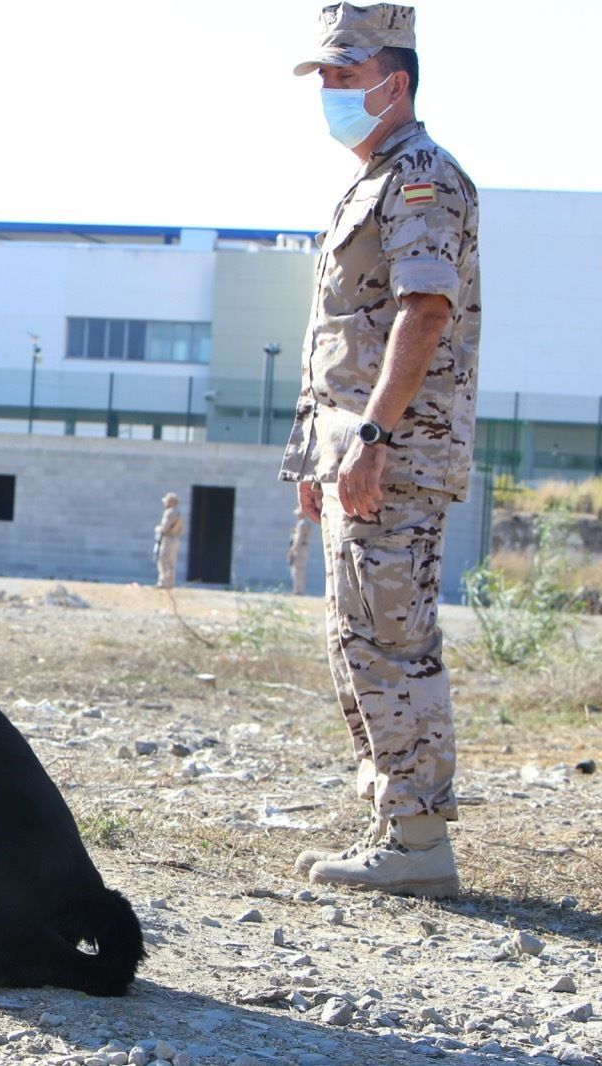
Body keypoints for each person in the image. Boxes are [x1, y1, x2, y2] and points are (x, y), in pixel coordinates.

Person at [280, 2, 479, 897]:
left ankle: (418, 841)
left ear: (394, 83)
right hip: (356, 454)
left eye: (343, 75)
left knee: (393, 643)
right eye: (322, 76)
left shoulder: (424, 177)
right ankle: (396, 823)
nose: (327, 91)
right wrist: (312, 460)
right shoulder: (370, 182)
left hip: (395, 453)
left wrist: (373, 436)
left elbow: (423, 313)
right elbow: (335, 341)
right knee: (356, 642)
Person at [153, 492, 182, 589]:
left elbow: (164, 528)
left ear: (171, 502)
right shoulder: (178, 513)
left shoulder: (169, 513)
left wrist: (157, 529)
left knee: (163, 560)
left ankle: (163, 583)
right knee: (171, 562)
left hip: (168, 539)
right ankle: (170, 583)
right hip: (175, 539)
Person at [287, 507, 314, 596]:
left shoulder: (302, 524)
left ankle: (298, 590)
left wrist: (293, 550)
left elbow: (298, 538)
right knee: (300, 570)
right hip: (303, 548)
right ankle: (299, 589)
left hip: (300, 549)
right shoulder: (306, 523)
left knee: (297, 570)